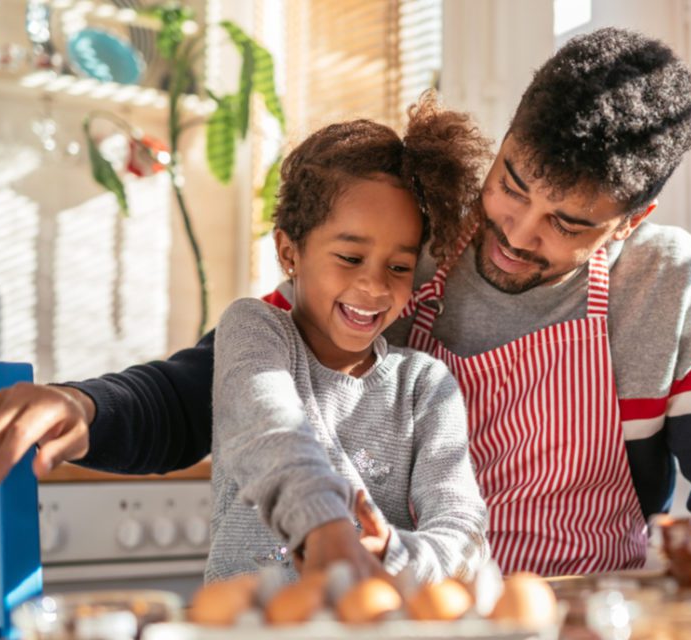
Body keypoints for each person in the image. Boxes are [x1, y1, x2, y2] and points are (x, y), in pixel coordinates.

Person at [0, 28, 691, 577]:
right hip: (413, 615)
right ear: (504, 144)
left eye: (567, 224)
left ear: (630, 222)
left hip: (585, 614)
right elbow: (228, 385)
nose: (516, 232)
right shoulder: (409, 250)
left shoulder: (665, 284)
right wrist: (86, 406)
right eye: (512, 184)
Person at [206, 95, 490, 583]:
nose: (375, 287)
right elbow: (270, 429)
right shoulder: (254, 330)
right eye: (350, 258)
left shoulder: (423, 385)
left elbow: (463, 529)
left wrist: (393, 554)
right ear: (289, 252)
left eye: (399, 267)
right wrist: (325, 527)